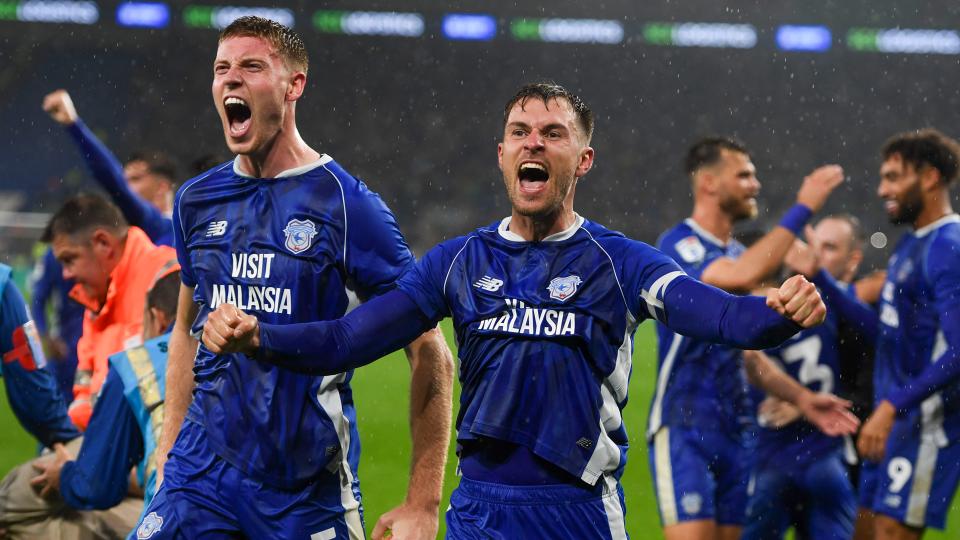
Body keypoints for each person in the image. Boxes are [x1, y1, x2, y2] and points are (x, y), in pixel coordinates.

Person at [200, 82, 856, 539]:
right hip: (482, 513)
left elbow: (721, 317)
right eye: (519, 133)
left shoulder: (620, 262)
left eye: (552, 134)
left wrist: (778, 314)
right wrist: (261, 336)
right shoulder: (455, 262)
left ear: (584, 159)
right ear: (502, 156)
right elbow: (347, 340)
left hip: (580, 515)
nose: (533, 144)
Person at [144, 16, 453, 540]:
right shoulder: (196, 200)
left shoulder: (349, 204)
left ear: (294, 85)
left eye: (251, 66)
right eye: (222, 68)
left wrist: (423, 501)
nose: (231, 79)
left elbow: (430, 349)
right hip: (200, 471)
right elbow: (182, 329)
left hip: (303, 487)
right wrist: (169, 442)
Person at [649, 137, 845, 540]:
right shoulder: (678, 246)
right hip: (687, 423)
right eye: (744, 175)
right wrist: (805, 204)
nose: (755, 184)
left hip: (737, 426)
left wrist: (803, 399)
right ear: (708, 183)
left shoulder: (738, 252)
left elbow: (749, 357)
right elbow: (736, 276)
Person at [0, 268, 180, 539]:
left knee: (19, 503)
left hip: (170, 520)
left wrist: (66, 471)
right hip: (248, 518)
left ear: (157, 319)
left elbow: (95, 485)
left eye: (70, 260)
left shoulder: (138, 365)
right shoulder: (247, 354)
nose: (69, 273)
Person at [741, 214, 879, 539]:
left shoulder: (765, 305)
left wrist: (796, 400)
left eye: (828, 248)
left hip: (771, 457)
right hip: (826, 455)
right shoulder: (832, 308)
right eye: (812, 247)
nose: (815, 257)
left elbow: (748, 360)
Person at [855, 129, 960, 539]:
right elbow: (886, 333)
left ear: (930, 177)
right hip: (897, 420)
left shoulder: (948, 245)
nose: (883, 189)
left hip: (926, 422)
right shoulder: (911, 244)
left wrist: (890, 406)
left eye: (893, 177)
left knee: (890, 532)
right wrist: (821, 282)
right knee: (864, 529)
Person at [45, 194, 178, 430]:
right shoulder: (95, 298)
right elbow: (85, 393)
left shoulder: (167, 279)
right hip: (106, 442)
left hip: (150, 449)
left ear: (103, 243)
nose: (66, 274)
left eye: (69, 259)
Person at [43, 89, 176, 246]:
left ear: (162, 187)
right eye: (125, 180)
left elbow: (114, 181)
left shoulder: (169, 228)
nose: (126, 186)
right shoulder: (122, 234)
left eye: (135, 179)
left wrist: (74, 125)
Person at [29, 248, 85, 404]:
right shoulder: (52, 256)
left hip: (93, 340)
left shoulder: (94, 247)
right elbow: (38, 300)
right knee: (59, 404)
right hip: (64, 343)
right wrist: (46, 337)